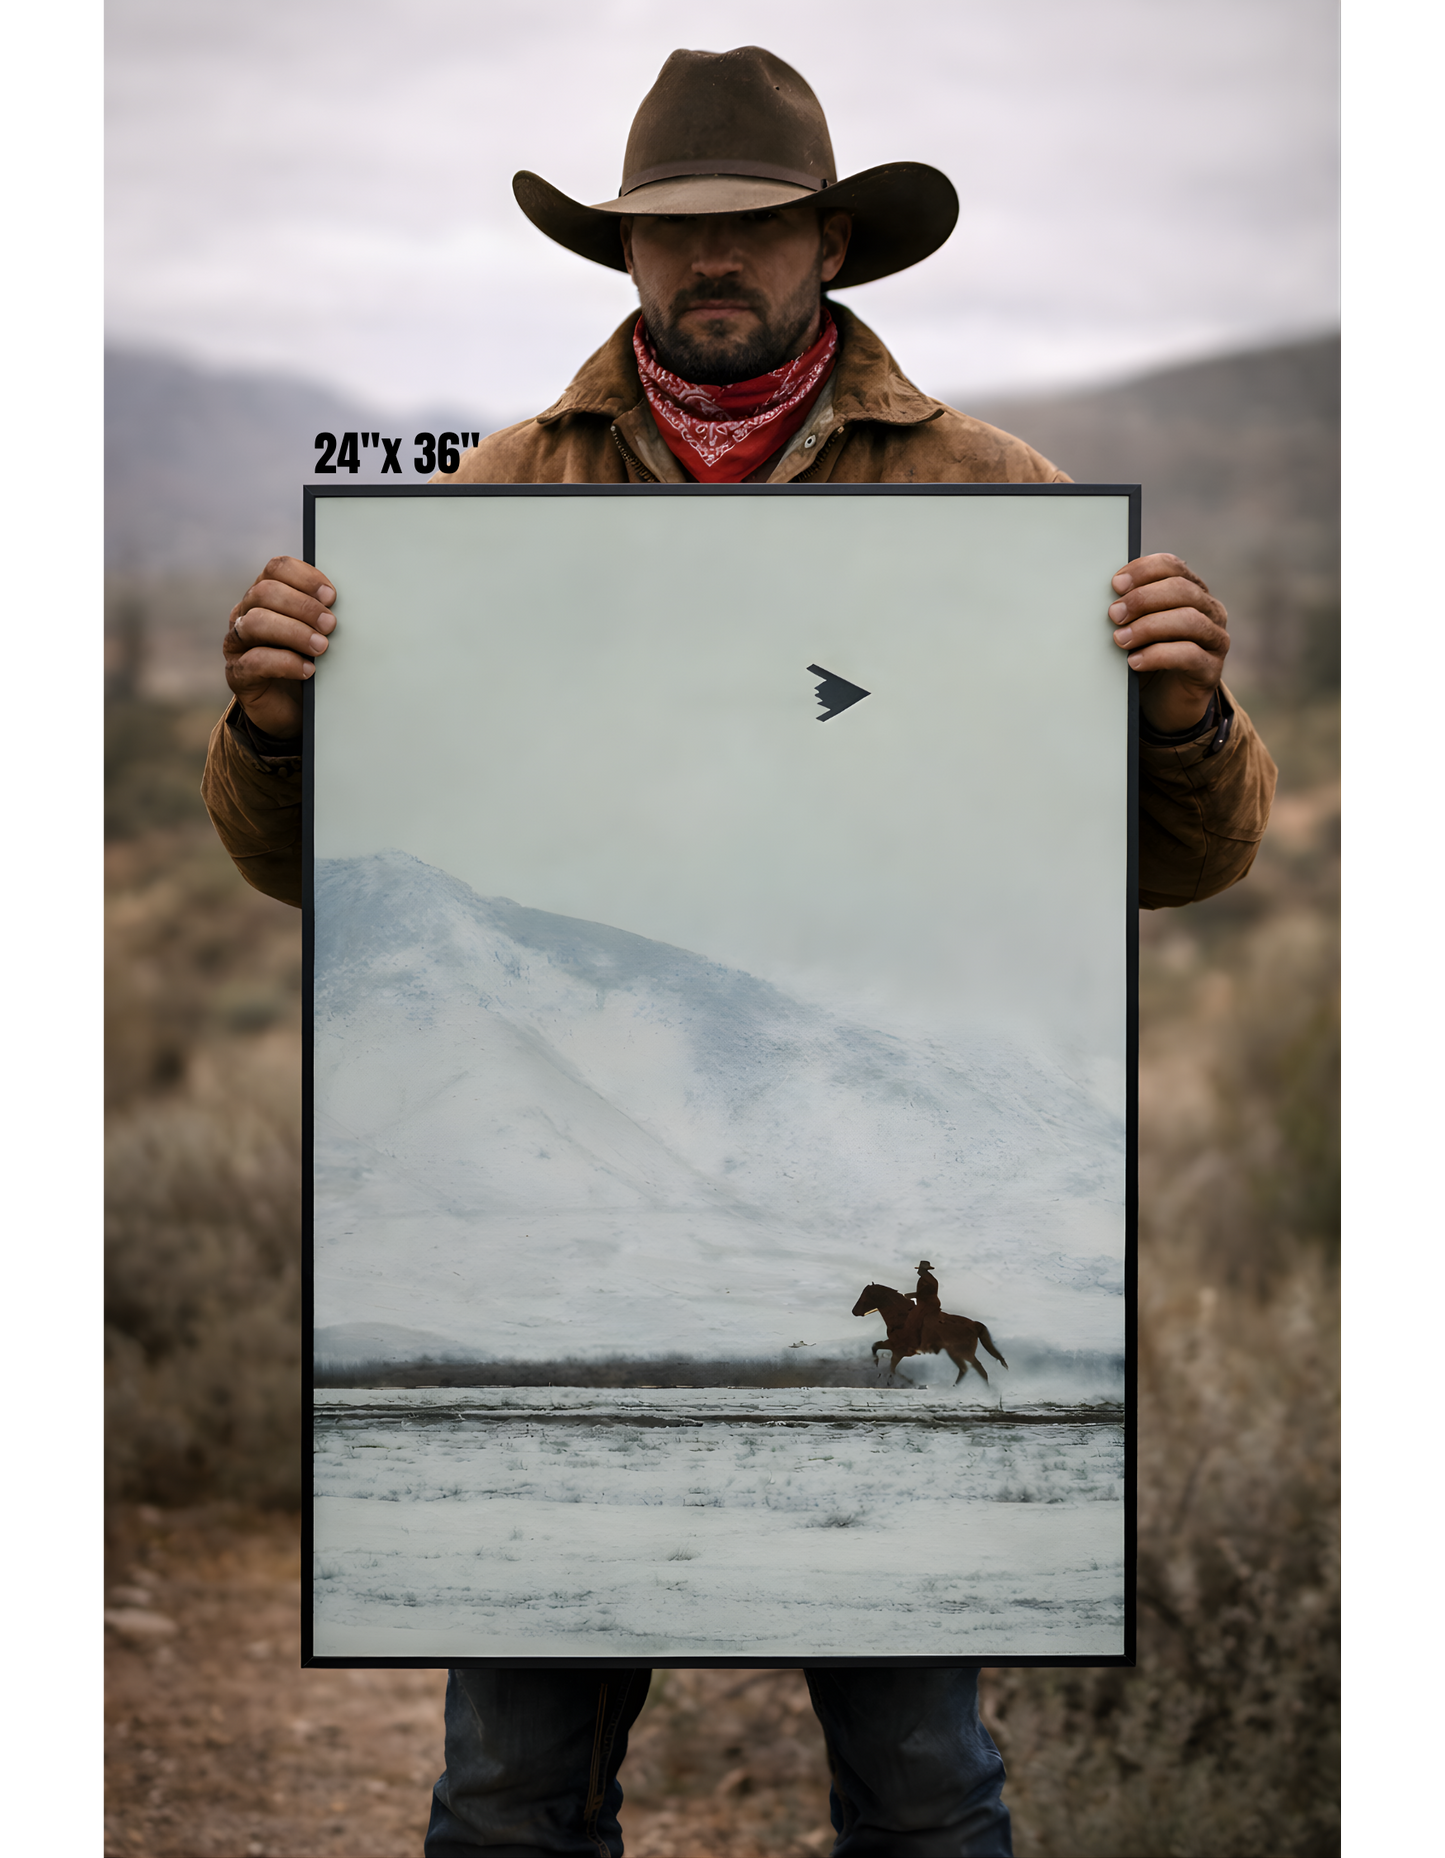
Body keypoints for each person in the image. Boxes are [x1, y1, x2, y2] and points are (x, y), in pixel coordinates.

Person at [200, 45, 1277, 1858]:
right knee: (507, 1791)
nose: (714, 262)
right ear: (617, 253)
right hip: (560, 1223)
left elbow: (1187, 862)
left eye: (756, 227)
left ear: (831, 243)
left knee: (930, 1782)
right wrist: (280, 729)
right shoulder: (482, 512)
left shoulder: (997, 500)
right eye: (670, 232)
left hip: (888, 1167)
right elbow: (321, 873)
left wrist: (1182, 716)